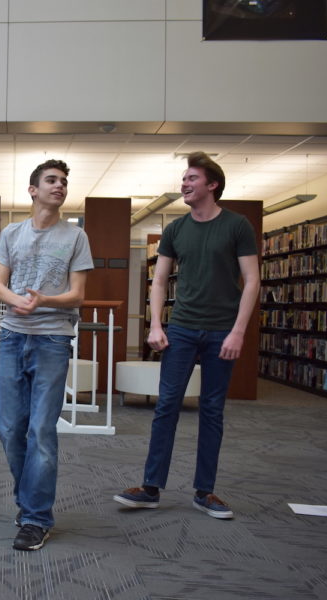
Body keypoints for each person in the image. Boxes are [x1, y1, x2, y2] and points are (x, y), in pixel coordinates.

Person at [113, 151, 259, 519]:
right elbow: (159, 280)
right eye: (184, 179)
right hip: (181, 329)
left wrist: (238, 332)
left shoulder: (238, 226)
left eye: (192, 178)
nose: (184, 184)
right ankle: (150, 488)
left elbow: (253, 281)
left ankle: (204, 492)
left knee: (212, 409)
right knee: (166, 406)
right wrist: (157, 325)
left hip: (222, 331)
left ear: (212, 185)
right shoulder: (177, 229)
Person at [0, 159, 93, 551]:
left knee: (40, 431)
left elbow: (78, 295)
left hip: (52, 339)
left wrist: (43, 300)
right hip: (13, 338)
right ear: (32, 190)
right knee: (9, 427)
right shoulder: (12, 233)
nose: (60, 186)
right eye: (51, 180)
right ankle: (28, 499)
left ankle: (36, 517)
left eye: (64, 182)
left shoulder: (75, 237)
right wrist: (19, 300)